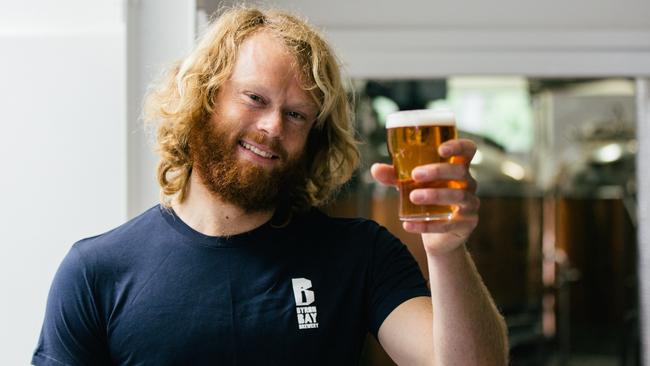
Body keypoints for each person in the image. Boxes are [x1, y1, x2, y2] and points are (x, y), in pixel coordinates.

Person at [32, 6, 508, 366]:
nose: (272, 126)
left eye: (296, 114)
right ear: (204, 98)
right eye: (255, 98)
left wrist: (446, 251)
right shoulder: (96, 272)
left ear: (313, 139)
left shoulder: (360, 255)